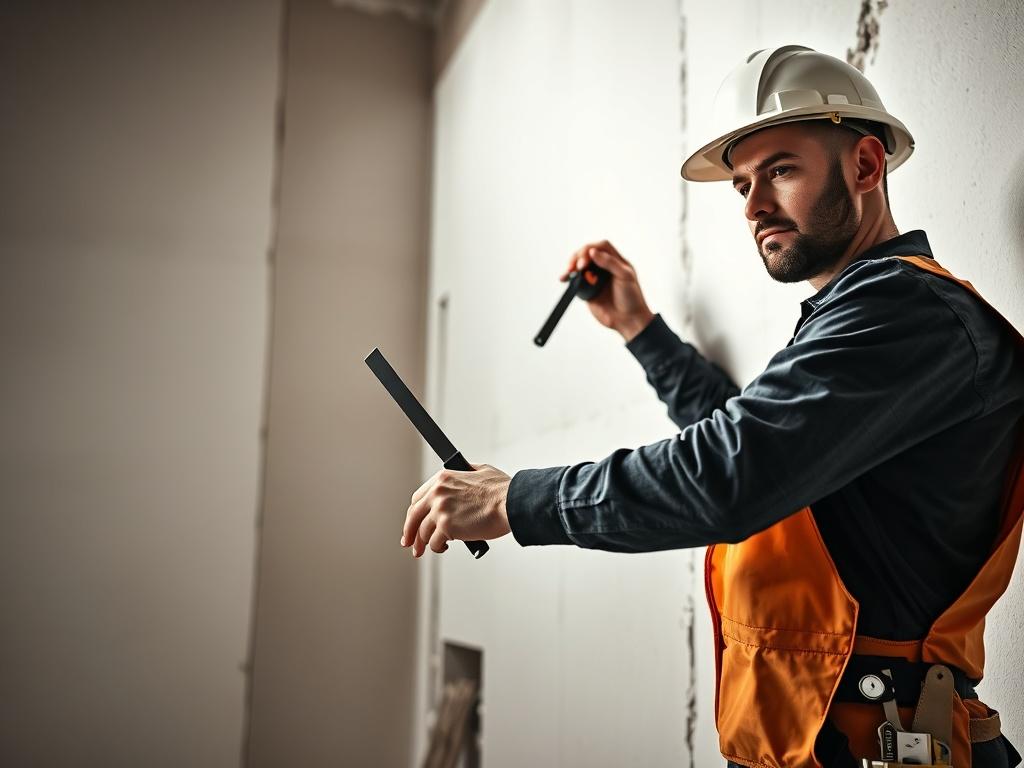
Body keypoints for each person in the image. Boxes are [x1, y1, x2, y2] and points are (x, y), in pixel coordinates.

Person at [400, 45, 1024, 767]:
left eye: (780, 170)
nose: (755, 205)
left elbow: (734, 473)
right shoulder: (855, 317)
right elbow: (762, 458)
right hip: (824, 742)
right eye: (741, 185)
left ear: (864, 166)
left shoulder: (905, 312)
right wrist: (641, 330)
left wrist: (518, 499)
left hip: (884, 746)